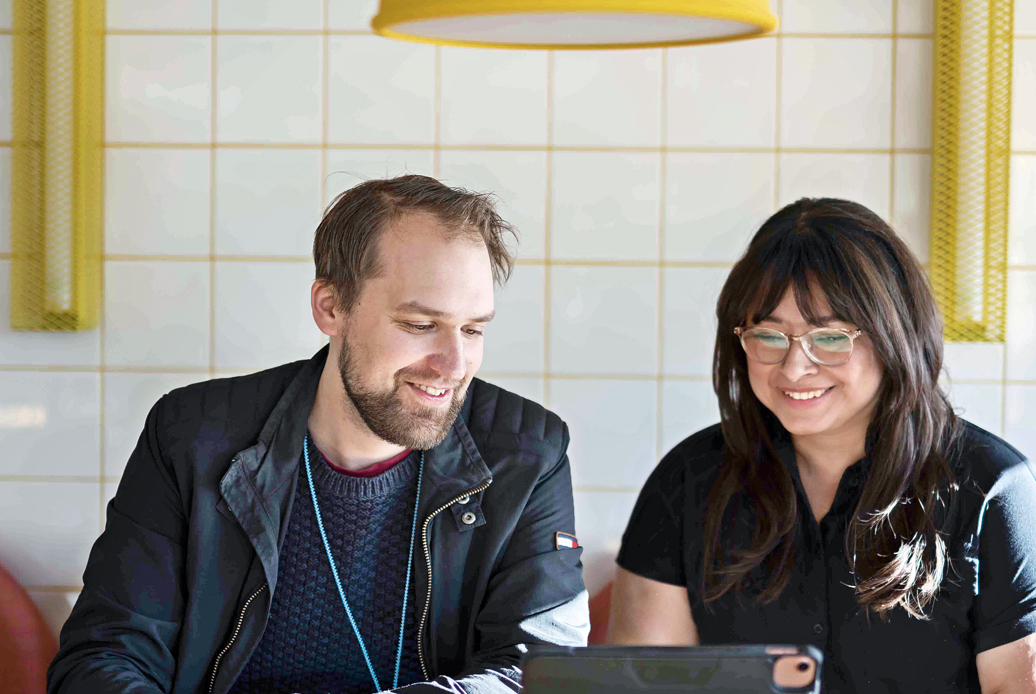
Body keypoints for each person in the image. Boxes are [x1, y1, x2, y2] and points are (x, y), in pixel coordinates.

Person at [48, 175, 589, 694]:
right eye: (420, 325)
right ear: (331, 308)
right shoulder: (191, 437)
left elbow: (537, 673)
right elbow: (104, 656)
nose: (454, 364)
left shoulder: (528, 453)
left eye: (473, 329)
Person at [609, 198, 1036, 692]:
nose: (794, 368)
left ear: (895, 335)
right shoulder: (687, 481)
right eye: (768, 336)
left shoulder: (992, 491)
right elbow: (646, 683)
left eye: (830, 338)